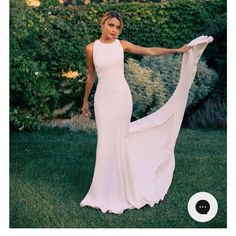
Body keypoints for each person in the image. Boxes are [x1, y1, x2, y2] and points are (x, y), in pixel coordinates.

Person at [79, 11, 197, 215]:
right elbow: (91, 76)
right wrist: (85, 101)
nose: (114, 30)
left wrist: (175, 50)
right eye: (111, 25)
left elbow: (149, 51)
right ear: (103, 25)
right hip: (103, 100)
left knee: (120, 140)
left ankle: (123, 188)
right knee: (105, 142)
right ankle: (101, 191)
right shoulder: (91, 48)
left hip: (122, 99)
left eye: (118, 27)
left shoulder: (122, 45)